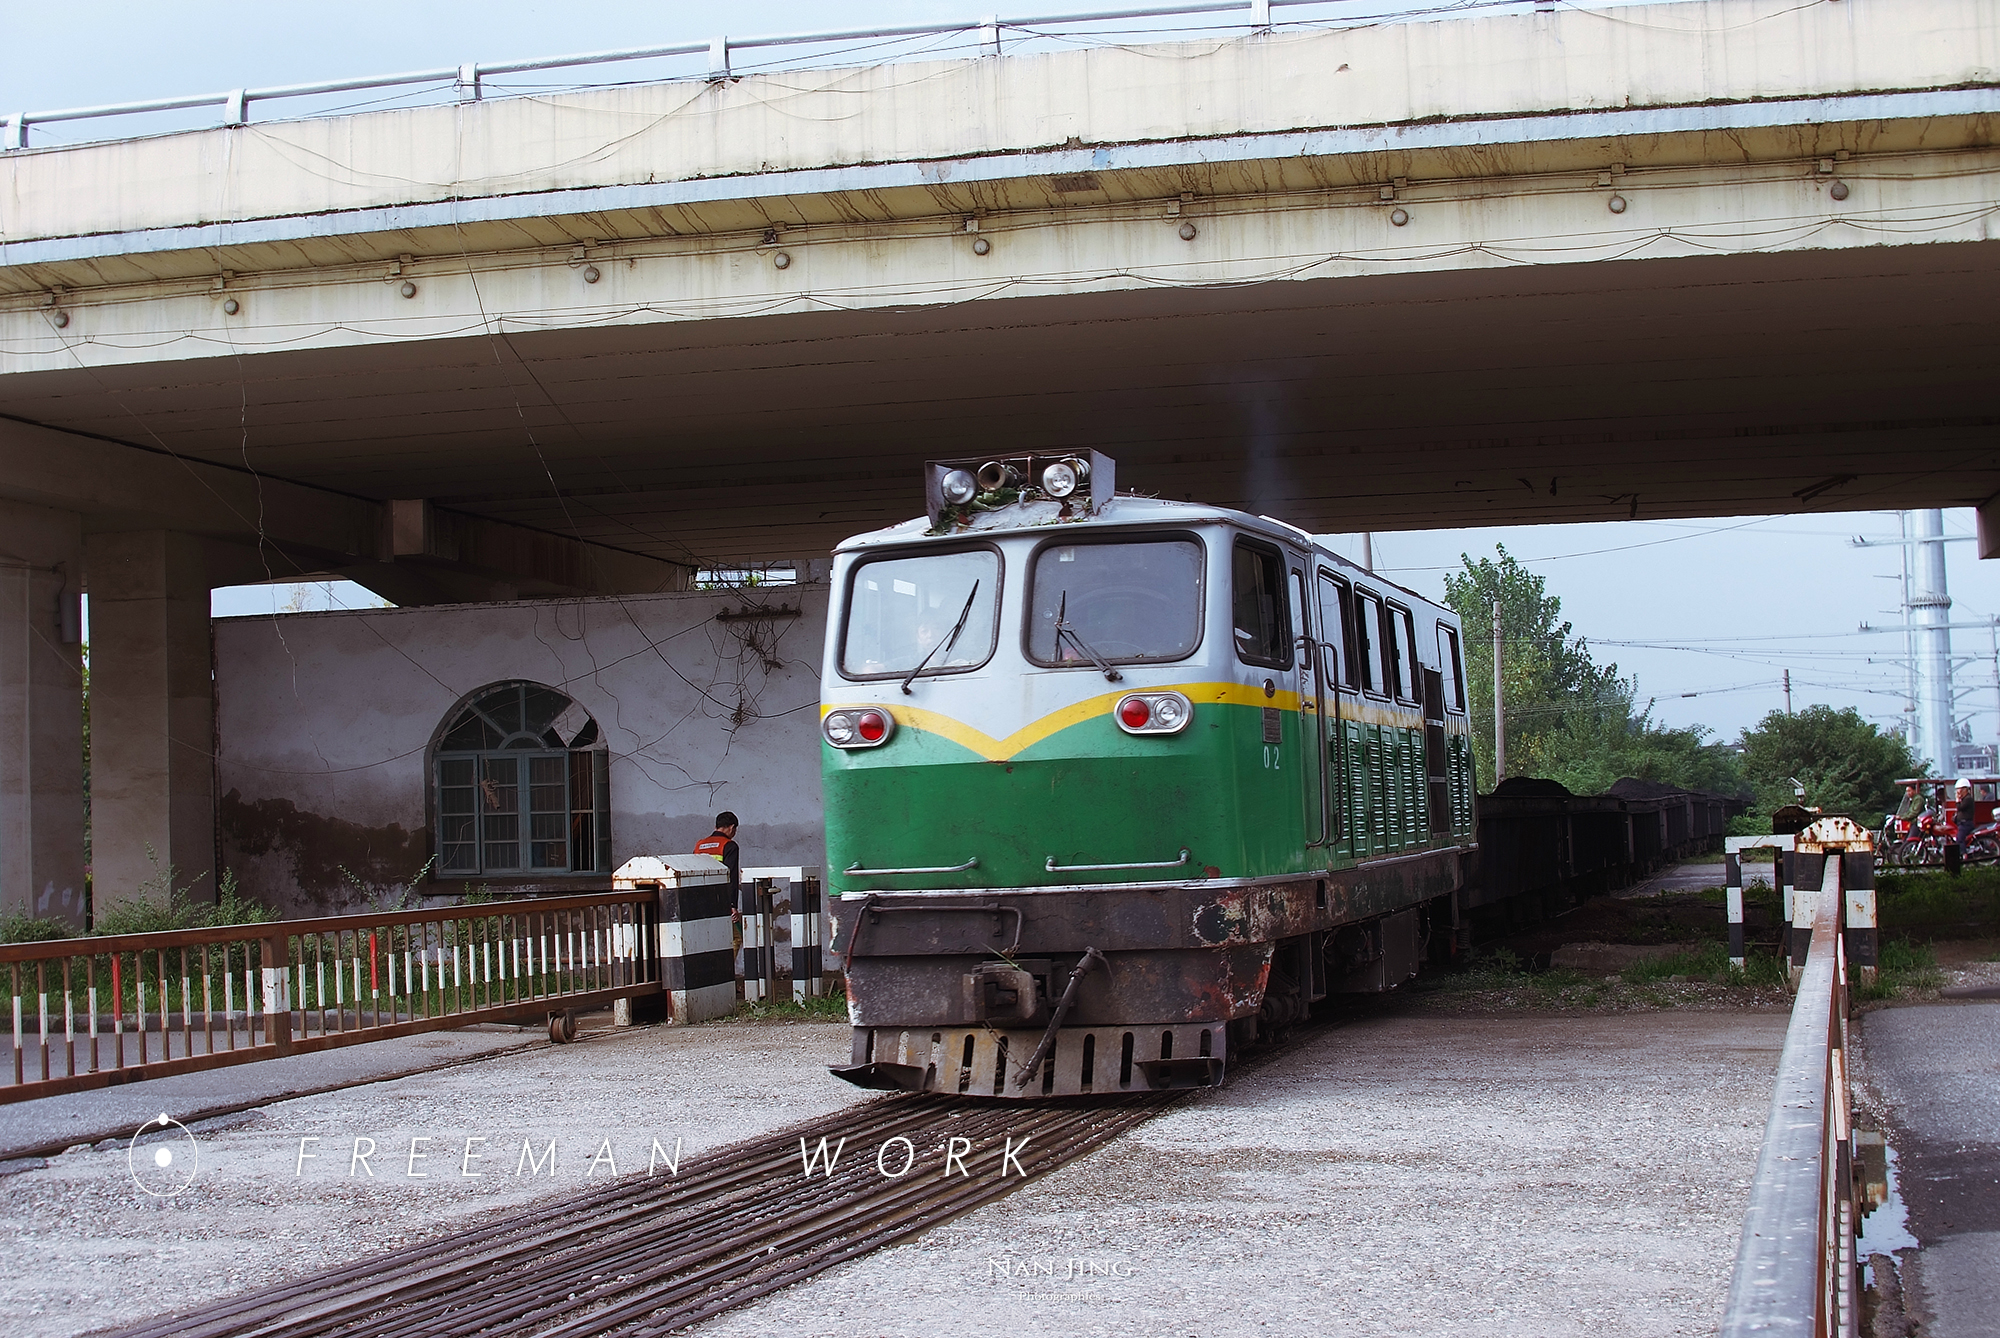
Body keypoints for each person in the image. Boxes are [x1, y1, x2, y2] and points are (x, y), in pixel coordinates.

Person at [695, 811, 741, 898]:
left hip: (698, 895)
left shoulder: (699, 844)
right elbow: (732, 876)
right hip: (719, 895)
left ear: (715, 827)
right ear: (732, 827)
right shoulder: (729, 845)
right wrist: (732, 903)